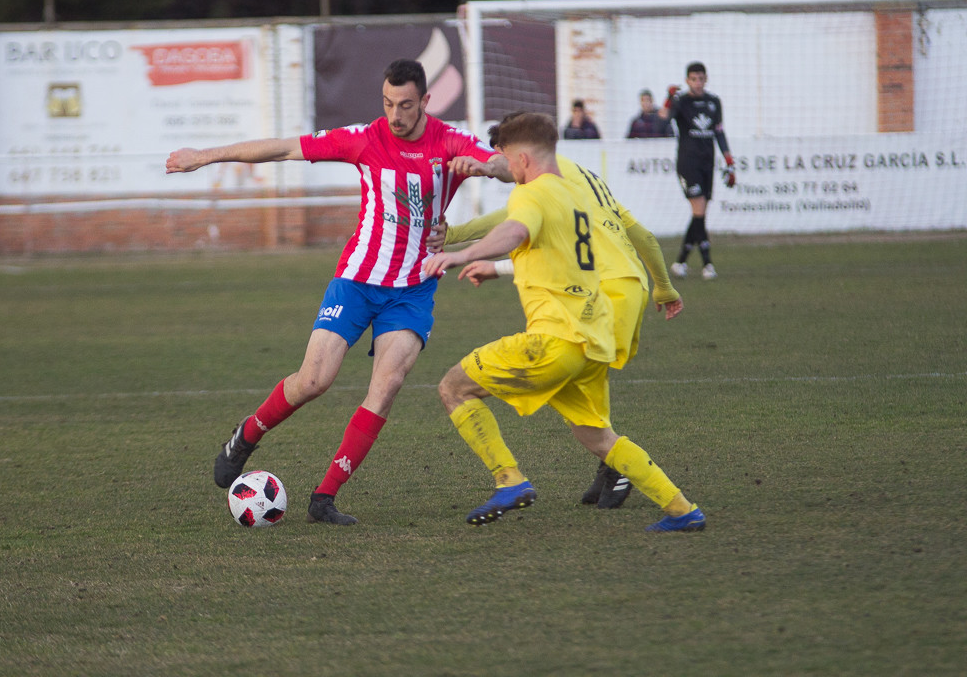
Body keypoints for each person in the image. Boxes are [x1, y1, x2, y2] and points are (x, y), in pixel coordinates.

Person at [164, 59, 501, 525]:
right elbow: (284, 148)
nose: (395, 114)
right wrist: (204, 156)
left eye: (405, 105)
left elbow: (504, 164)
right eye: (387, 103)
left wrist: (486, 168)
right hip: (358, 281)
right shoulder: (367, 137)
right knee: (314, 381)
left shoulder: (450, 142)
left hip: (412, 292)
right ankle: (246, 434)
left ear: (426, 101)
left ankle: (324, 498)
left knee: (386, 388)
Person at [423, 111, 705, 532]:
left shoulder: (529, 196)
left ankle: (510, 480)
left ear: (520, 159)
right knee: (597, 436)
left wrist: (462, 253)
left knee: (454, 387)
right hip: (591, 343)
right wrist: (496, 265)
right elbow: (552, 257)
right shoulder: (577, 197)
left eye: (505, 160)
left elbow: (516, 230)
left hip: (552, 342)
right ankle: (683, 510)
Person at [660, 62, 735, 280]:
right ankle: (707, 264)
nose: (698, 83)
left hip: (707, 162)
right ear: (687, 81)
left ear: (706, 79)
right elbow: (662, 120)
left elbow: (719, 132)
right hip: (687, 163)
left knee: (700, 214)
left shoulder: (713, 102)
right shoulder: (681, 101)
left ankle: (680, 262)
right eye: (693, 79)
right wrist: (667, 97)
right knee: (699, 209)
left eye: (701, 78)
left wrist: (728, 159)